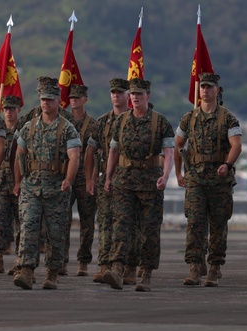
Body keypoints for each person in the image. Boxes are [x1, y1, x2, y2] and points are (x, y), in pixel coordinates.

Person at [104, 78, 175, 292]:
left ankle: (146, 274)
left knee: (149, 229)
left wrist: (165, 176)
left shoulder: (160, 122)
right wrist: (108, 177)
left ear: (148, 96)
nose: (135, 97)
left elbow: (169, 152)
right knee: (121, 225)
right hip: (124, 180)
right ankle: (117, 269)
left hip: (150, 182)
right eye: (132, 94)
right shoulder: (121, 121)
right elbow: (113, 151)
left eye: (139, 94)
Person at [11, 79, 81, 290]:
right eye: (43, 99)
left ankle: (52, 272)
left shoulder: (67, 129)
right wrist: (17, 182)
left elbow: (74, 157)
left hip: (56, 188)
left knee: (55, 231)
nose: (46, 103)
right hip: (31, 186)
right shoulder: (29, 127)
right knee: (28, 226)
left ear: (58, 101)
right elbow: (19, 154)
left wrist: (68, 180)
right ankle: (26, 270)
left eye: (50, 99)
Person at [174, 72, 242, 287]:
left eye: (209, 87)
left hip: (219, 180)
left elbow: (236, 145)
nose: (205, 90)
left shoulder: (228, 118)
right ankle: (195, 266)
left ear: (217, 90)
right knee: (195, 223)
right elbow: (178, 145)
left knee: (218, 225)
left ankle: (214, 267)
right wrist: (178, 173)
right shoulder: (189, 118)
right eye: (202, 86)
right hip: (196, 179)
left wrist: (227, 164)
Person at [86, 78, 131, 283]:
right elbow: (90, 151)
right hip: (106, 178)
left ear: (128, 95)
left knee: (127, 223)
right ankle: (104, 265)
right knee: (104, 222)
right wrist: (90, 178)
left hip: (130, 178)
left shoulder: (134, 119)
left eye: (120, 92)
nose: (116, 96)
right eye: (113, 92)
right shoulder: (102, 122)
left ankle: (126, 267)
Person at [65, 83, 98, 277]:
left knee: (87, 221)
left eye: (78, 97)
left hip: (85, 177)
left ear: (85, 99)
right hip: (67, 176)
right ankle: (61, 260)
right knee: (62, 220)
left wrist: (91, 179)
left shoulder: (93, 124)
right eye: (72, 98)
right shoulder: (62, 122)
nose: (74, 101)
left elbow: (95, 155)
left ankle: (83, 261)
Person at [0, 94, 22, 274]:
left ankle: (20, 261)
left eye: (12, 109)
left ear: (18, 110)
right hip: (1, 182)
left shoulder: (24, 130)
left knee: (20, 224)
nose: (8, 112)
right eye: (6, 109)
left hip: (19, 182)